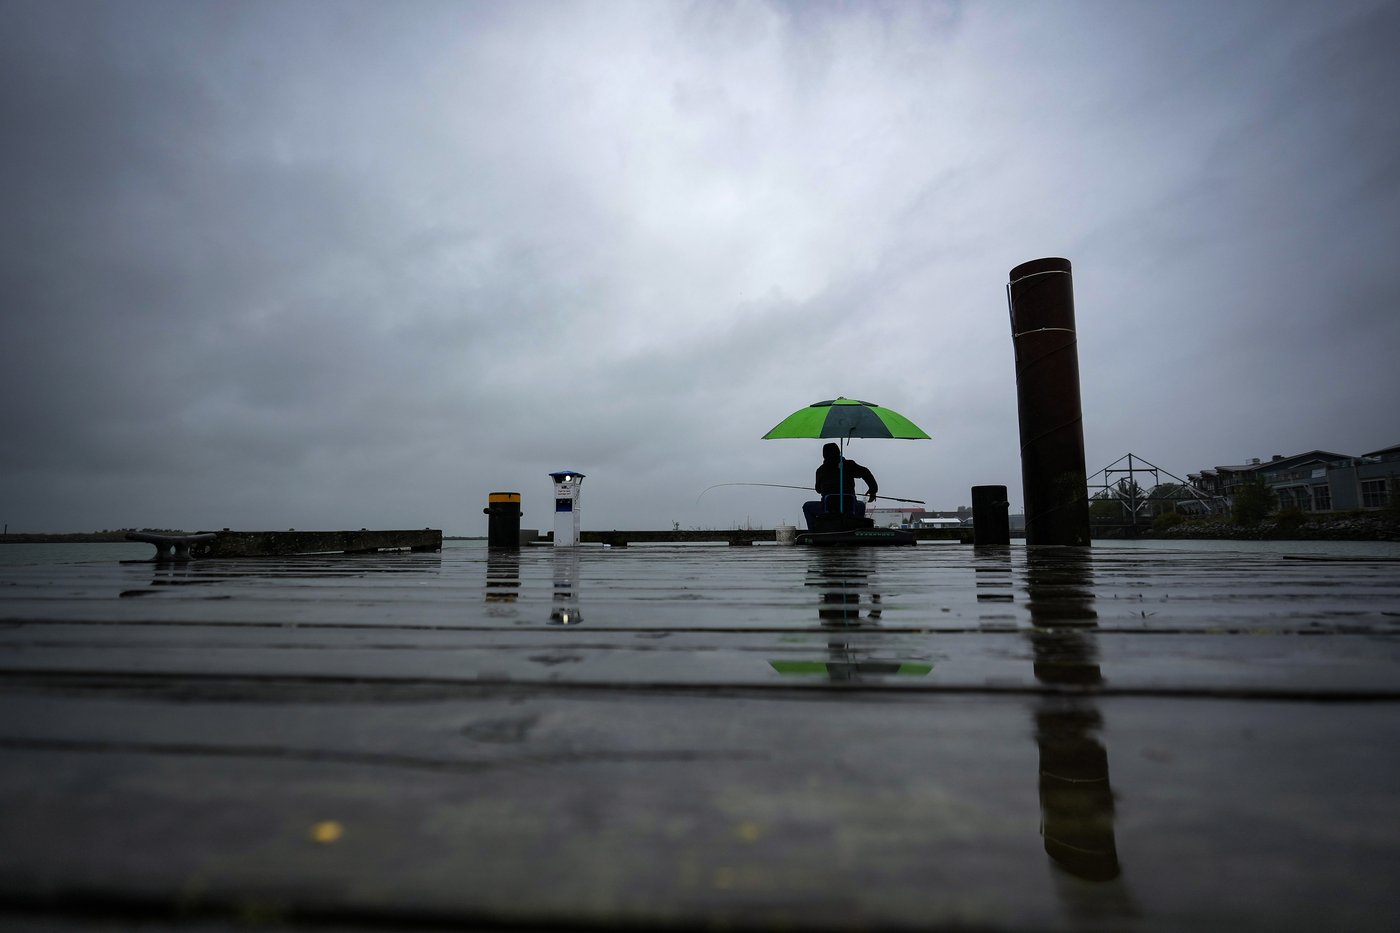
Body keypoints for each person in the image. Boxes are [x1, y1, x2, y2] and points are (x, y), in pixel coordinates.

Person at [803, 442, 878, 527]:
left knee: (806, 506)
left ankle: (814, 532)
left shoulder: (821, 470)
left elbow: (818, 490)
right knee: (861, 505)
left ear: (824, 455)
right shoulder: (849, 465)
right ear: (839, 452)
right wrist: (873, 490)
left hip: (827, 509)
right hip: (851, 508)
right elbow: (865, 472)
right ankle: (856, 530)